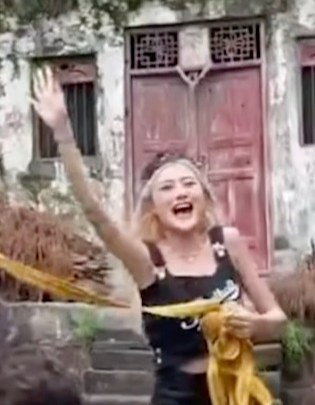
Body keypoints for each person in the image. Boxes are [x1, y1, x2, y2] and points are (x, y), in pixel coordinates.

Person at [30, 66, 286, 405]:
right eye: (167, 188)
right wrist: (62, 132)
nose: (180, 192)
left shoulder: (228, 242)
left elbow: (278, 321)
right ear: (154, 208)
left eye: (188, 184)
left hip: (235, 392)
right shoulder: (148, 261)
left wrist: (253, 325)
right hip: (175, 396)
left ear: (204, 197)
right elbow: (96, 214)